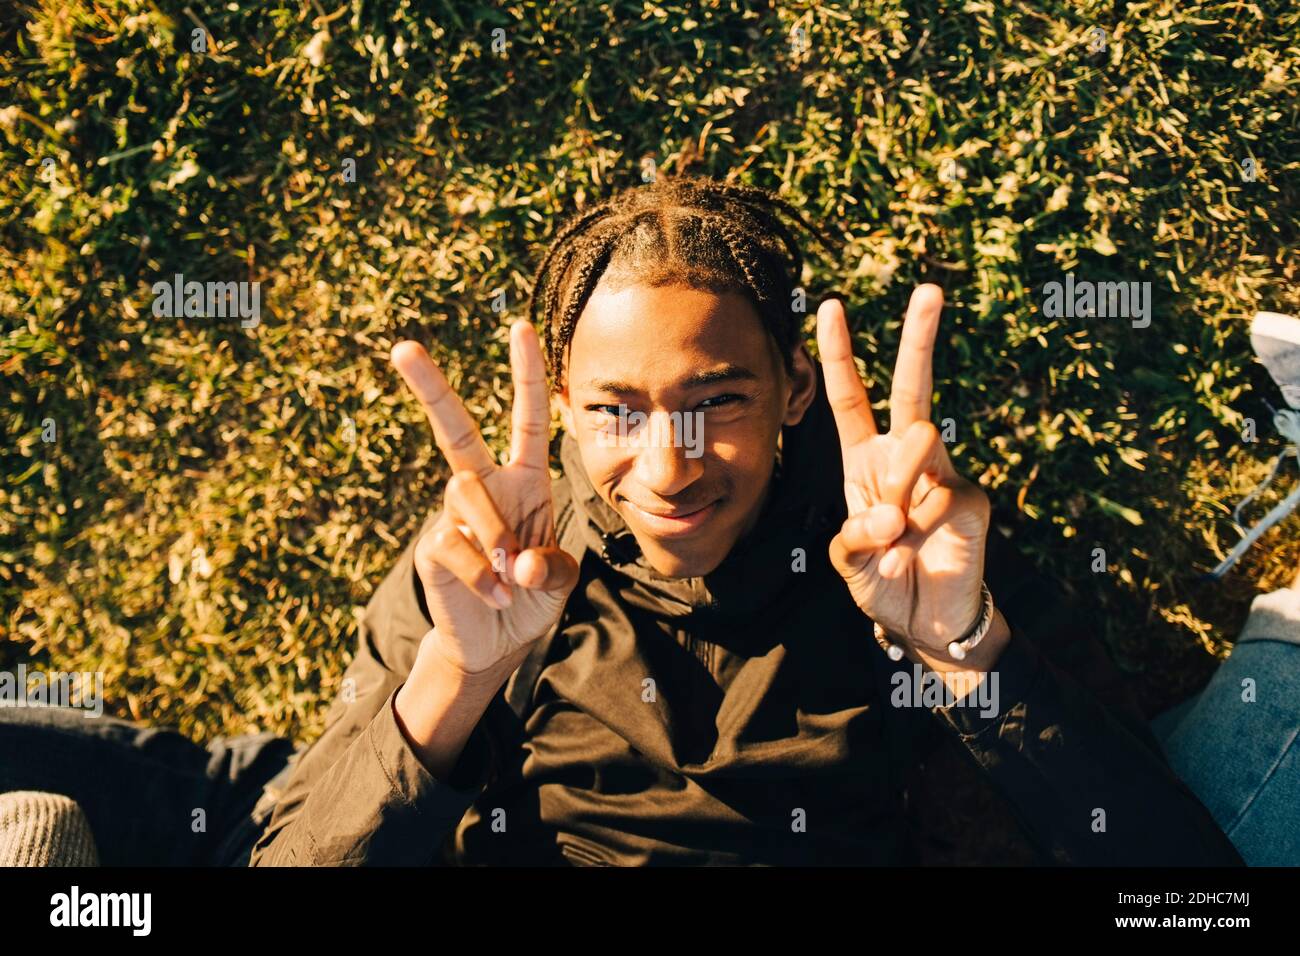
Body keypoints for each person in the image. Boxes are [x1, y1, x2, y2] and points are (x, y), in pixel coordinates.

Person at [0, 177, 1275, 866]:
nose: (667, 467)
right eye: (613, 409)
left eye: (715, 400)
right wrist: (453, 676)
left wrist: (967, 660)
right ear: (560, 406)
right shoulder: (502, 560)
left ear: (788, 387)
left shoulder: (910, 552)